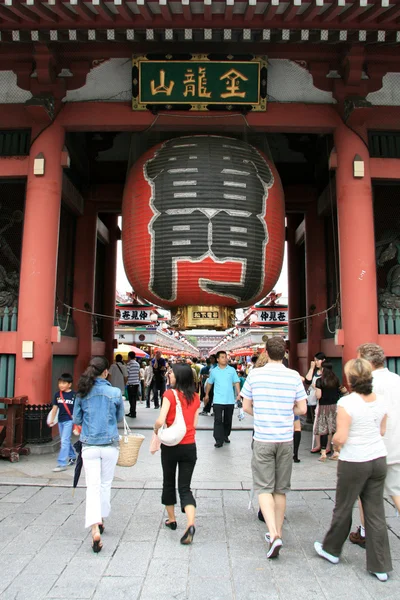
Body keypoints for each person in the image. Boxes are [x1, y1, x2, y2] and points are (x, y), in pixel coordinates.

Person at [314, 358, 392, 582]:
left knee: (344, 505)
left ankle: (331, 550)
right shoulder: (381, 400)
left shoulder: (347, 403)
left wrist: (336, 445)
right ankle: (380, 566)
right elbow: (382, 430)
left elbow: (340, 436)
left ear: (351, 378)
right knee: (375, 511)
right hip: (378, 458)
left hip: (355, 460)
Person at [242, 336, 307, 559]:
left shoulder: (255, 374)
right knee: (281, 489)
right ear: (285, 354)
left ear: (266, 353)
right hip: (285, 439)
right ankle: (277, 533)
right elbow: (303, 408)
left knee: (264, 487)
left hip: (263, 438)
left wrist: (261, 414)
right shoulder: (293, 377)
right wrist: (287, 413)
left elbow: (246, 405)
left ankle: (273, 534)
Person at [349, 343, 400, 548]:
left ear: (367, 362)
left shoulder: (366, 383)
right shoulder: (397, 380)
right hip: (397, 443)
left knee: (367, 491)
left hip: (372, 446)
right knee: (397, 490)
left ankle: (365, 530)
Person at [73, 356, 124, 553]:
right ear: (105, 372)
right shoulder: (114, 392)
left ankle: (95, 528)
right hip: (110, 444)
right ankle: (101, 518)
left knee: (92, 486)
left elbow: (77, 418)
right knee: (105, 484)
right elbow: (119, 418)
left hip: (89, 445)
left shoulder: (82, 393)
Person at [154, 363, 201, 545]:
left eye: (171, 373)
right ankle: (190, 523)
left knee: (168, 481)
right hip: (189, 446)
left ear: (178, 376)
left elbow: (160, 420)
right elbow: (195, 424)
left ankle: (172, 520)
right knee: (185, 487)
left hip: (171, 447)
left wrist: (156, 428)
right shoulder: (195, 397)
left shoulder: (169, 395)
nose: (169, 375)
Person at [204, 351, 241, 448]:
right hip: (218, 400)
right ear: (218, 359)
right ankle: (218, 439)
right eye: (222, 357)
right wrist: (207, 394)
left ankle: (225, 435)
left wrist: (238, 394)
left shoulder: (232, 370)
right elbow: (209, 383)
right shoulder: (214, 371)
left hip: (229, 400)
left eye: (225, 357)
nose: (225, 359)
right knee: (218, 420)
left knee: (228, 420)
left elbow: (236, 381)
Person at [49, 373, 76, 472]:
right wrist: (52, 419)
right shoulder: (57, 395)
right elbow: (55, 408)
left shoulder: (74, 395)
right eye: (60, 383)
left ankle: (61, 463)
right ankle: (72, 456)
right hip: (60, 420)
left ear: (69, 384)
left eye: (64, 383)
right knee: (65, 440)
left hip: (69, 420)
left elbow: (77, 408)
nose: (61, 385)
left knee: (64, 441)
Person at [314, 363, 342, 462]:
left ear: (323, 370)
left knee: (324, 430)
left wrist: (315, 390)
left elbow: (318, 396)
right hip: (334, 406)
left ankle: (323, 453)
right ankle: (336, 452)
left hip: (323, 407)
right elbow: (339, 391)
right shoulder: (336, 380)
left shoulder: (319, 381)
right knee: (334, 428)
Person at [304, 352, 326, 452]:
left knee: (325, 423)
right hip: (313, 399)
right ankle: (317, 444)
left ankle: (326, 446)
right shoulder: (314, 371)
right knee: (315, 422)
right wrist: (311, 368)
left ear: (323, 360)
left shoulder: (327, 371)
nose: (316, 362)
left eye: (318, 360)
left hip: (323, 399)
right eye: (315, 360)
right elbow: (307, 380)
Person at [126, 351, 140, 418]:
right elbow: (138, 373)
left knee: (131, 399)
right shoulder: (137, 364)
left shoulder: (129, 364)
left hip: (130, 384)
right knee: (134, 399)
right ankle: (132, 411)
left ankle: (133, 413)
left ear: (129, 357)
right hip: (136, 383)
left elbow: (127, 374)